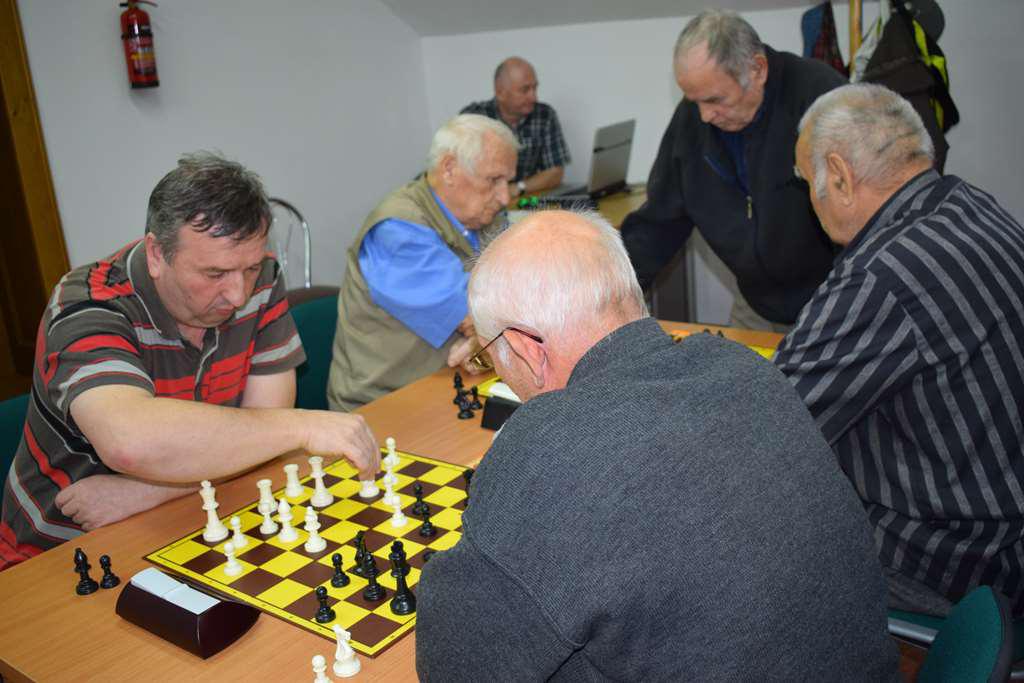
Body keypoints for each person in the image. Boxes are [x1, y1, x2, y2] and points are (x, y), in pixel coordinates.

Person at [415, 210, 899, 680]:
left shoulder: (550, 446)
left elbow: (455, 662)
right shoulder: (743, 366)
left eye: (492, 358)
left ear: (526, 349)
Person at [0, 152, 379, 570]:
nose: (238, 294)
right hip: (54, 553)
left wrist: (148, 492)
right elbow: (130, 442)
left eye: (249, 269)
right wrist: (302, 427)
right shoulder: (87, 304)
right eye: (214, 274)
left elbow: (264, 428)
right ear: (156, 254)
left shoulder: (261, 276)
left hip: (189, 520)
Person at [775, 83, 1024, 617]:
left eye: (805, 182)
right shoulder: (975, 206)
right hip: (1006, 522)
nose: (809, 200)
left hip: (959, 560)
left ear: (839, 176)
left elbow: (769, 422)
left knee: (756, 526)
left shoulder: (880, 276)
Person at [621, 9, 845, 332]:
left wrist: (845, 305)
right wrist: (611, 294)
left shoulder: (820, 97)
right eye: (694, 101)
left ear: (757, 69)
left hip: (832, 303)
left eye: (715, 100)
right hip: (756, 302)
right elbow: (657, 223)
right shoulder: (693, 120)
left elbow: (862, 216)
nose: (705, 116)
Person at [326, 114, 517, 412]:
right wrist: (489, 337)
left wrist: (487, 342)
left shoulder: (483, 217)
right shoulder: (396, 231)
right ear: (449, 169)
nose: (505, 197)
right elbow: (479, 317)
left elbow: (528, 294)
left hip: (453, 385)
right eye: (494, 180)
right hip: (384, 407)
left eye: (509, 182)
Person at [461, 57, 570, 197]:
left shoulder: (544, 115)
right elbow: (461, 174)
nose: (534, 97)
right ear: (500, 92)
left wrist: (519, 187)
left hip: (524, 198)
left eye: (535, 88)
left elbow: (555, 172)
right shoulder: (473, 119)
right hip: (483, 199)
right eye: (525, 90)